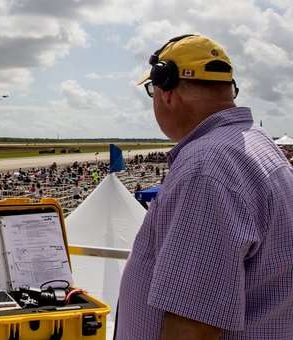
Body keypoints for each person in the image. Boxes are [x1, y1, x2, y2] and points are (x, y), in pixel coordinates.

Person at [117, 34, 293, 339]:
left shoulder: (205, 167)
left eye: (151, 91)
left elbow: (193, 327)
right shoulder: (259, 143)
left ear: (166, 92)